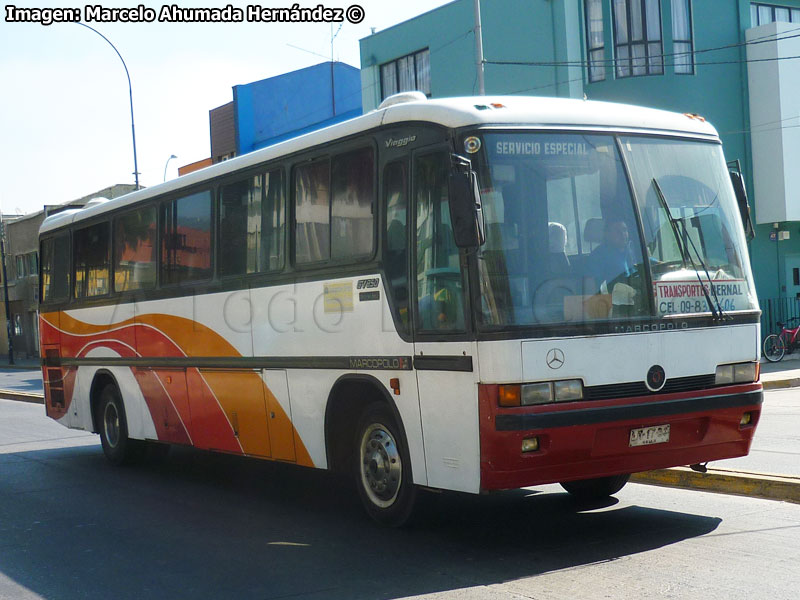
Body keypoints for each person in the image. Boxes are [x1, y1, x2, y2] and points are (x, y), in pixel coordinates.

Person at [589, 218, 635, 288]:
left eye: (624, 230)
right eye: (617, 231)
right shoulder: (598, 256)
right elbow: (590, 285)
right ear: (607, 234)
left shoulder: (632, 250)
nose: (623, 234)